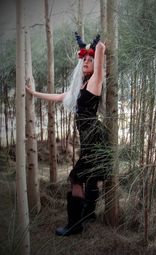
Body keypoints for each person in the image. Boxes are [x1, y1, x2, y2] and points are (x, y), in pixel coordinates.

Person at [26, 33, 110, 236]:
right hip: (89, 139)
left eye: (90, 60)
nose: (87, 62)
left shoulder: (95, 81)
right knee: (87, 177)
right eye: (84, 60)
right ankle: (87, 214)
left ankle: (75, 225)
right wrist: (34, 93)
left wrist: (92, 48)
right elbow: (59, 96)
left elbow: (101, 49)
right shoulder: (80, 87)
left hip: (95, 138)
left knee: (75, 177)